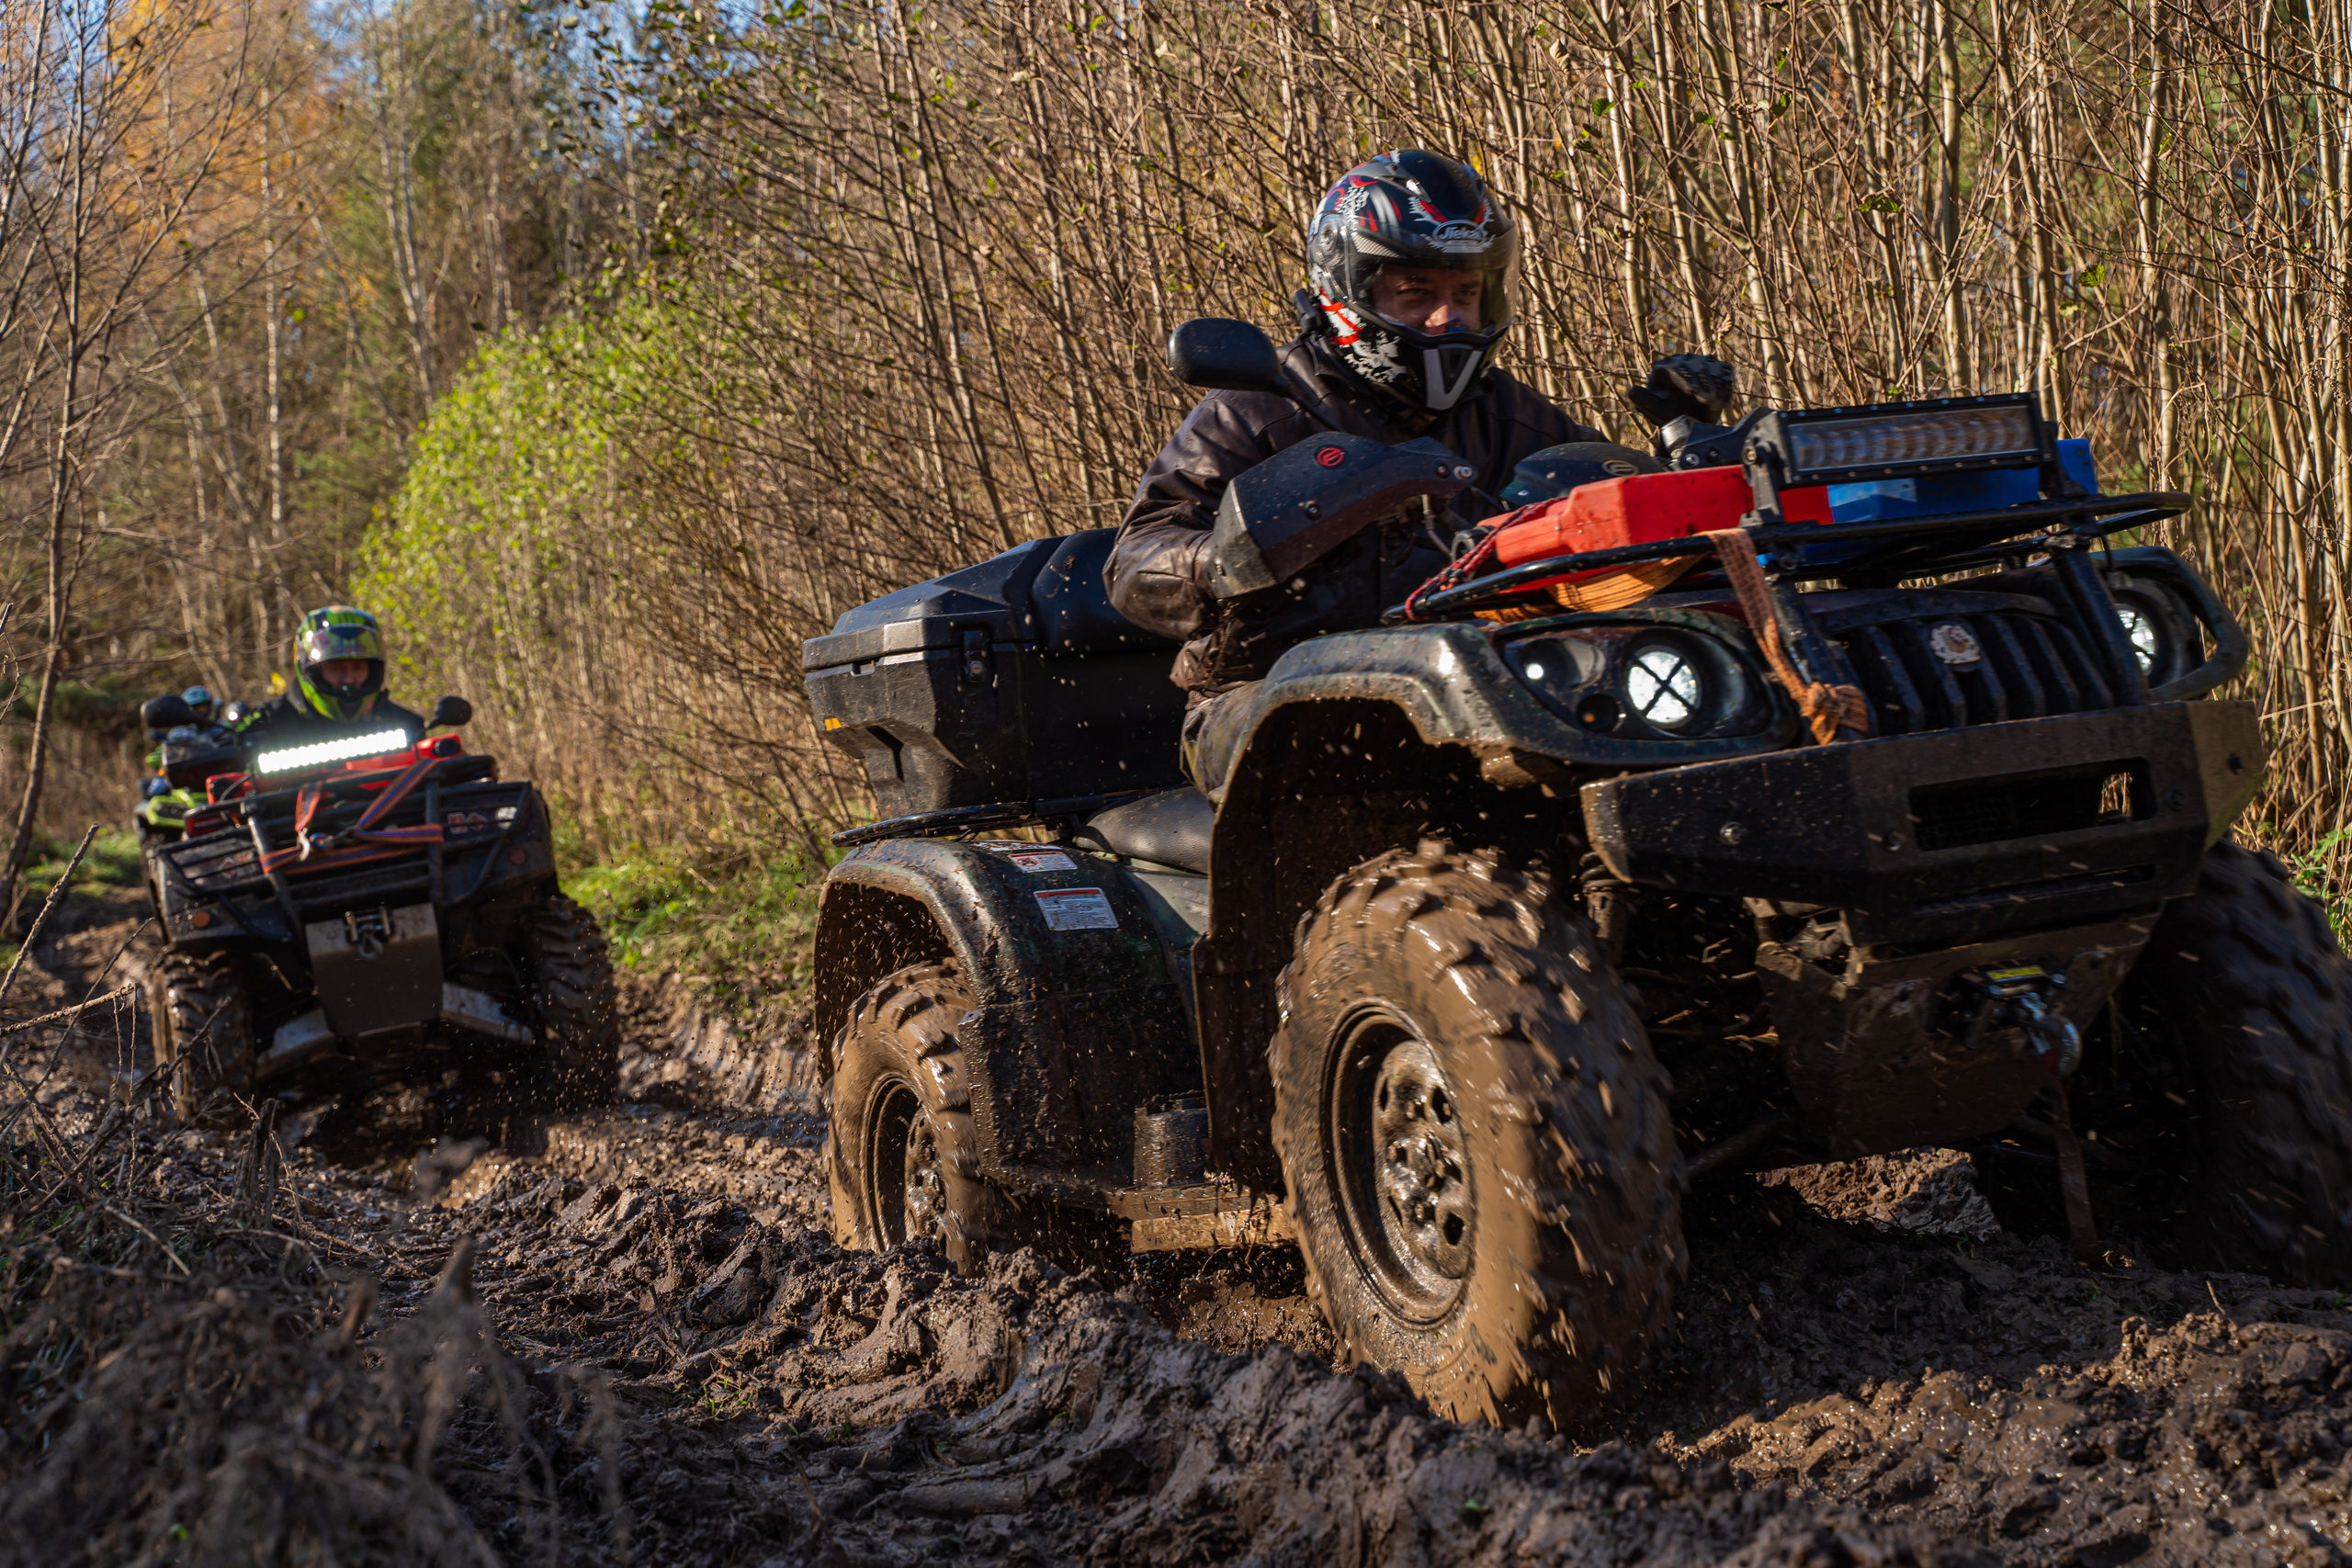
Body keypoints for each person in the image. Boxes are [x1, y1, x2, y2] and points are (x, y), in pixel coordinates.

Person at [1104, 148, 1733, 785]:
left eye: (1465, 293)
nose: (1448, 317)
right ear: (1348, 286)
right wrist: (1223, 561)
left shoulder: (1506, 411)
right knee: (1379, 750)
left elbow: (1607, 515)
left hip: (1467, 682)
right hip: (1264, 692)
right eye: (1417, 293)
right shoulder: (1259, 408)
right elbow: (1133, 563)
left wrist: (1684, 450)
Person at [236, 606, 424, 749]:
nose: (348, 679)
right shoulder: (268, 722)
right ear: (310, 670)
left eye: (358, 667)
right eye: (335, 668)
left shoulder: (405, 724)